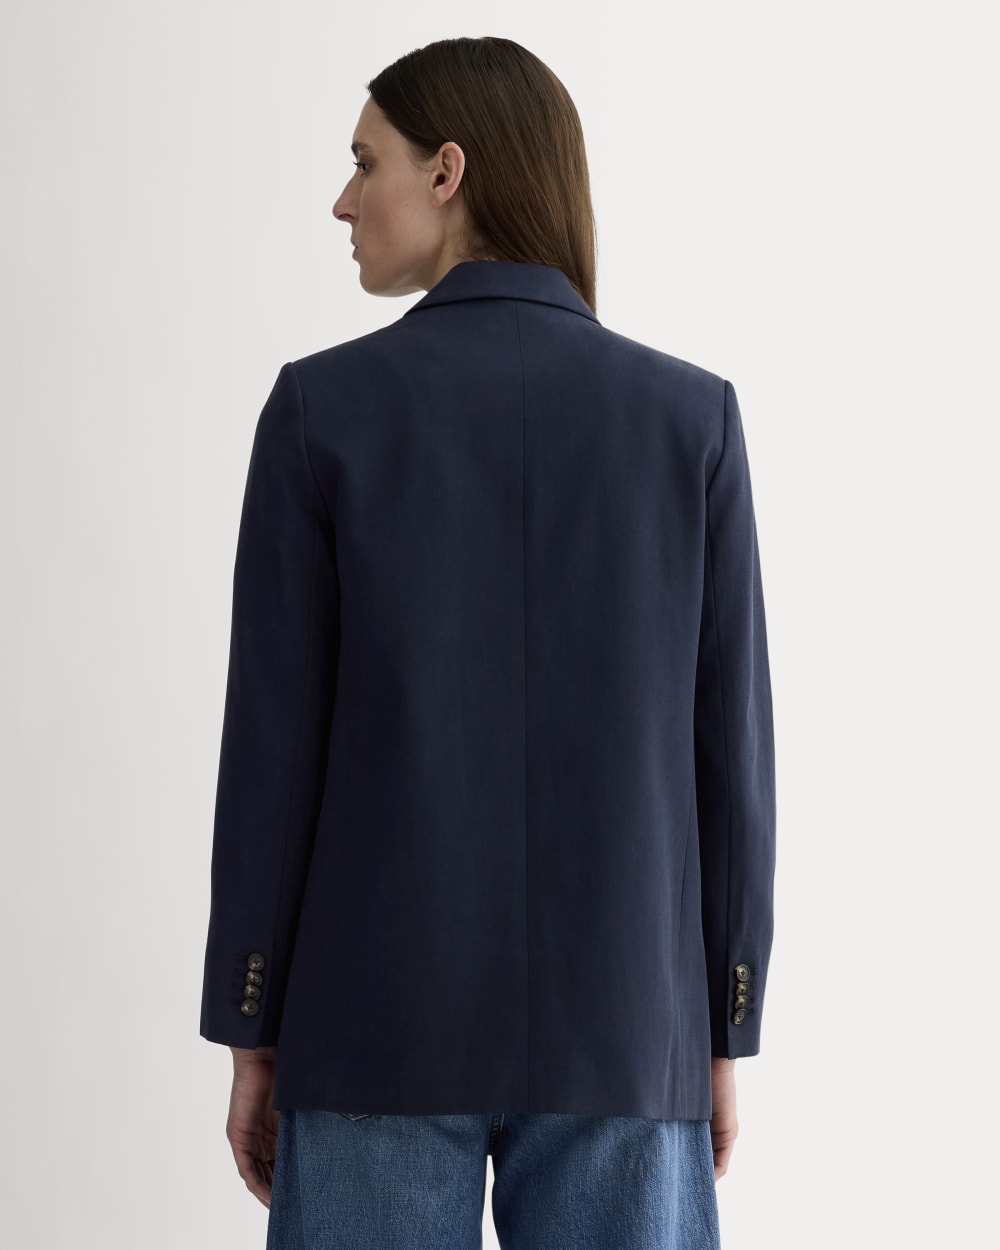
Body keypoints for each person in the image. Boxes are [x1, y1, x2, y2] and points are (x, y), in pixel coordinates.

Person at [199, 35, 776, 1250]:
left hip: (371, 1021)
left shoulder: (320, 412)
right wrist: (721, 1028)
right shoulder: (690, 421)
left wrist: (252, 1020)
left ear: (447, 170)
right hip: (627, 1024)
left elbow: (271, 756)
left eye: (366, 162)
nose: (344, 199)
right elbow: (730, 762)